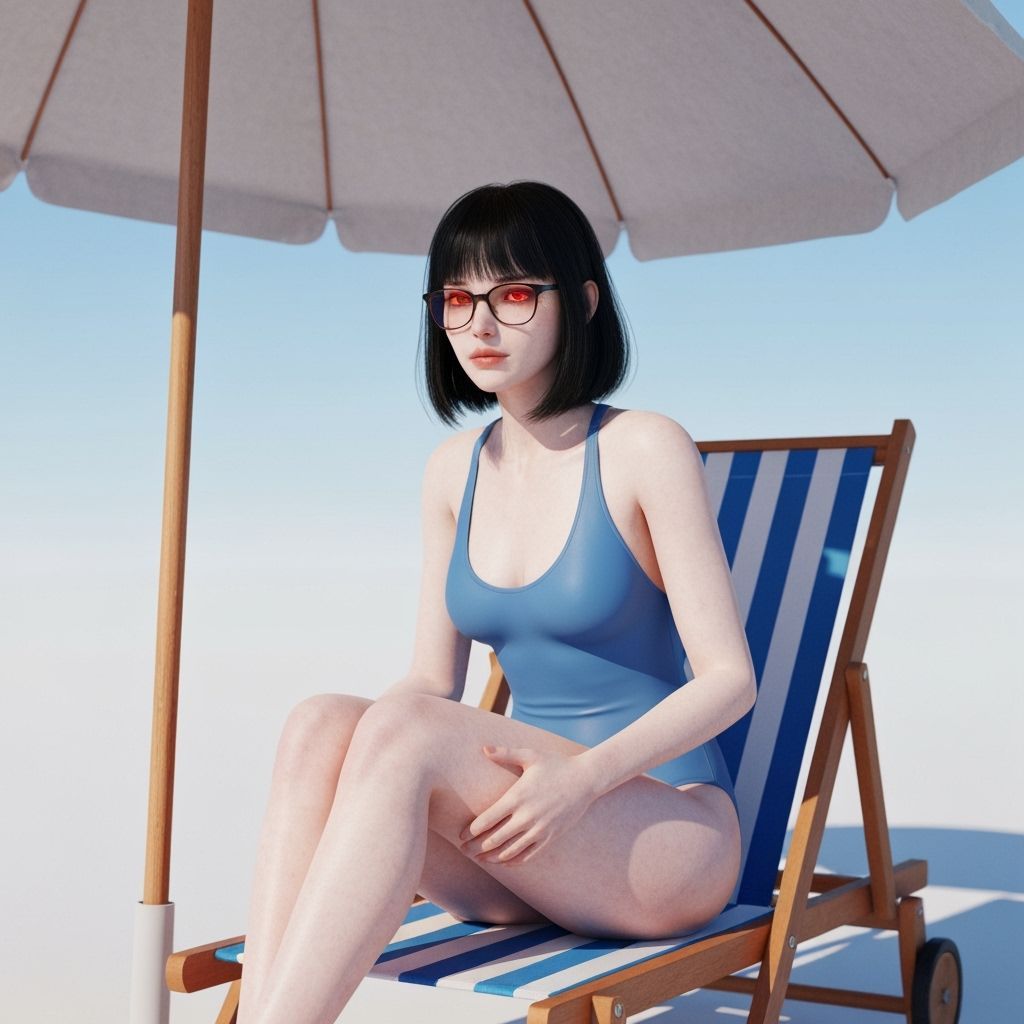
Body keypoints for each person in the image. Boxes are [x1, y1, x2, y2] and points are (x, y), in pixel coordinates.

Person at [236, 181, 757, 1024]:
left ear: (580, 303)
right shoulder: (454, 470)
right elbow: (428, 680)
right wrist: (355, 739)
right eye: (456, 299)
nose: (480, 324)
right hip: (519, 849)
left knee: (402, 734)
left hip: (660, 835)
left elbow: (730, 680)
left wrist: (581, 782)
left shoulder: (643, 448)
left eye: (513, 295)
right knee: (318, 722)